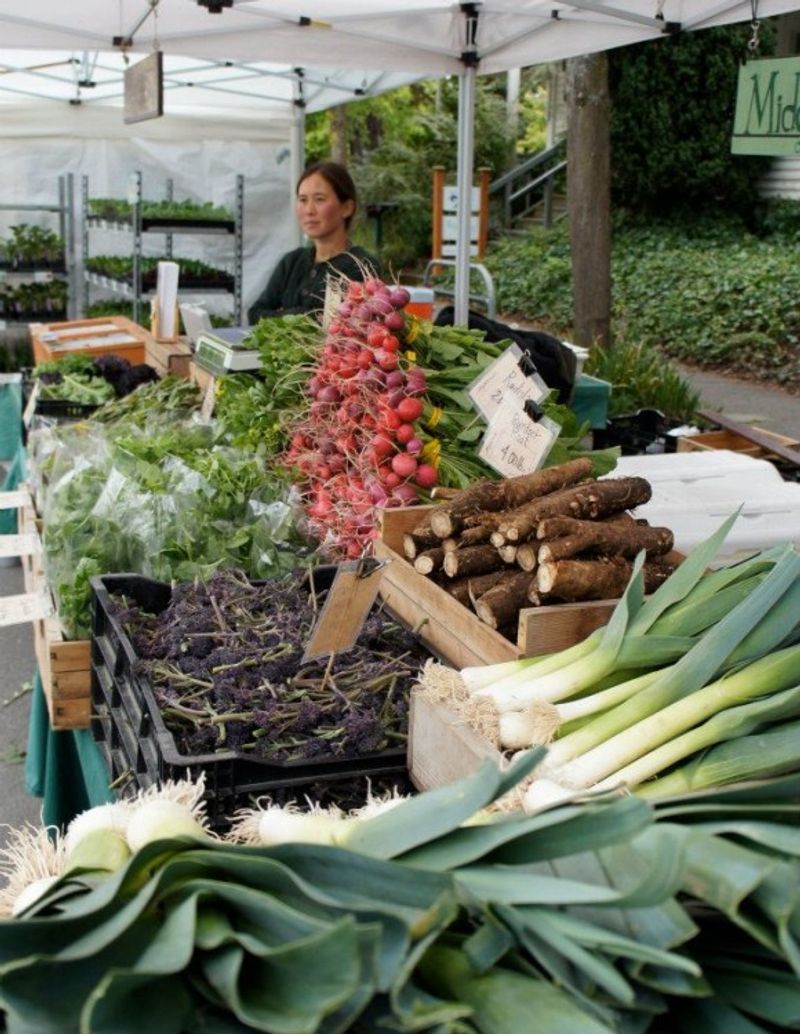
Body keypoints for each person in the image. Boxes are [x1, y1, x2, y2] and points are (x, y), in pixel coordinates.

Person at [248, 161, 380, 323]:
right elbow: (255, 314)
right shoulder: (291, 262)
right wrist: (302, 314)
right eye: (303, 200)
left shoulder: (361, 266)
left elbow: (331, 323)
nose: (309, 210)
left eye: (319, 199)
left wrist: (282, 314)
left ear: (347, 207)